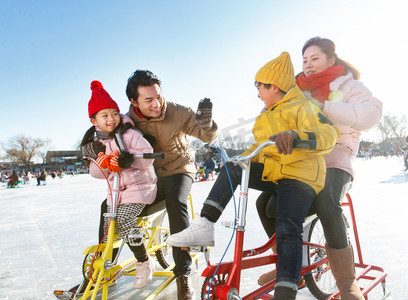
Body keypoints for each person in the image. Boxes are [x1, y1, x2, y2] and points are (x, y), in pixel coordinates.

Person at [166, 52, 339, 300]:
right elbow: (257, 151)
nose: (257, 92)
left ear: (274, 86)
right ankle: (205, 225)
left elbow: (328, 133)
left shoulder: (303, 106)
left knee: (287, 225)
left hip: (301, 176)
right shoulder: (265, 115)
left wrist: (297, 136)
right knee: (234, 168)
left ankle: (285, 291)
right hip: (275, 173)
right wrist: (240, 159)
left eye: (259, 86)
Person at [256, 37, 382, 300]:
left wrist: (325, 107)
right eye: (304, 60)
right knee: (265, 204)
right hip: (302, 160)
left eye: (315, 59)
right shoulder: (296, 88)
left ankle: (347, 282)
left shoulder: (348, 84)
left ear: (331, 60)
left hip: (337, 156)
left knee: (327, 203)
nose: (308, 65)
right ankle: (290, 266)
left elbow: (371, 113)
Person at [126, 70, 218, 299]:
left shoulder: (178, 111)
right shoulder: (127, 122)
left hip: (179, 170)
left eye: (158, 96)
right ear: (133, 101)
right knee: (122, 207)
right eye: (148, 100)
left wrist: (207, 125)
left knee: (177, 203)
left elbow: (206, 137)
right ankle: (126, 263)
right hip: (149, 177)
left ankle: (183, 275)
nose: (157, 103)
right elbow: (108, 136)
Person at [81, 80, 158, 289]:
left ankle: (144, 261)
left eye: (114, 113)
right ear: (94, 120)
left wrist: (128, 159)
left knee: (122, 219)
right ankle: (109, 265)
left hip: (140, 189)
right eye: (104, 115)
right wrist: (102, 162)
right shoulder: (98, 143)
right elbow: (96, 174)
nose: (111, 119)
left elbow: (148, 158)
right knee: (108, 222)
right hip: (116, 194)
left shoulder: (130, 134)